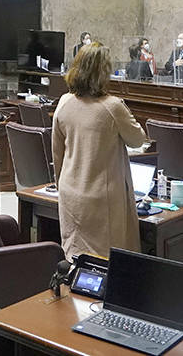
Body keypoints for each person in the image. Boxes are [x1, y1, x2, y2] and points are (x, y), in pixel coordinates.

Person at [52, 43, 148, 259]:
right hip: (101, 198)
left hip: (70, 191)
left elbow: (57, 152)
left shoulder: (64, 102)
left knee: (75, 257)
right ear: (103, 72)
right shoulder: (112, 106)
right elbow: (137, 139)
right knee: (105, 263)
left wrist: (61, 184)